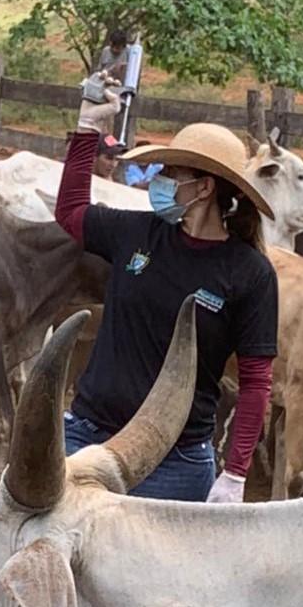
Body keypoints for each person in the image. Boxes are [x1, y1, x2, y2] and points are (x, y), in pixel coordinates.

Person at [55, 76, 278, 504]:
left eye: (169, 173)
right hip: (87, 441)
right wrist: (86, 128)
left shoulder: (250, 274)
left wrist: (235, 474)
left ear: (204, 187)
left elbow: (255, 383)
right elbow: (70, 213)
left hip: (174, 463)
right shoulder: (136, 233)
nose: (157, 180)